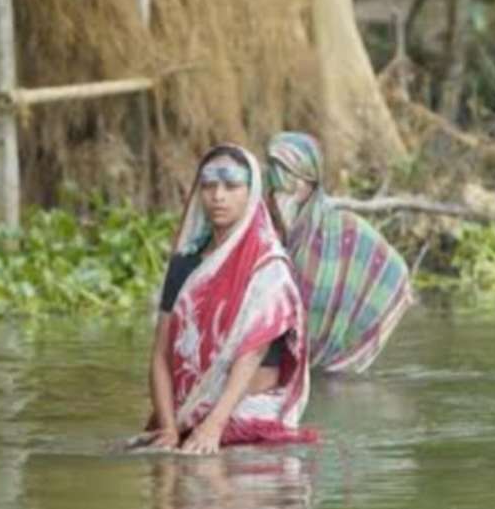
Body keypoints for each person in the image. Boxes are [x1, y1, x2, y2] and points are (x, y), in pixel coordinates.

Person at [131, 144, 315, 454]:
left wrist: (214, 424)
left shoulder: (268, 268)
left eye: (231, 186)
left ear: (251, 193)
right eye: (209, 186)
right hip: (185, 414)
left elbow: (251, 355)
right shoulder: (184, 266)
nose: (218, 196)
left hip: (251, 413)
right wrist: (168, 428)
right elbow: (160, 356)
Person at [265, 132, 414, 374]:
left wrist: (354, 340)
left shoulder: (343, 228)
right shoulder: (260, 229)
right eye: (276, 172)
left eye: (294, 175)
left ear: (312, 180)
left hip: (333, 367)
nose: (284, 184)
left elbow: (390, 269)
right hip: (270, 366)